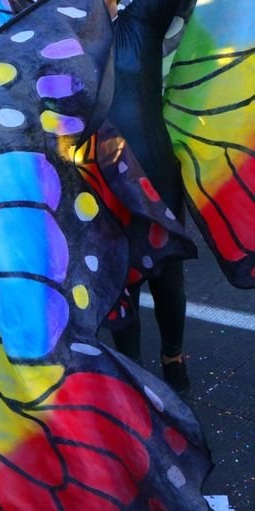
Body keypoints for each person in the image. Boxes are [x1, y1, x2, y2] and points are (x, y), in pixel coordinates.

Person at [107, 0, 190, 392]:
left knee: (168, 276)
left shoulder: (139, 18)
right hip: (99, 185)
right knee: (119, 280)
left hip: (155, 175)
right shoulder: (60, 37)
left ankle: (173, 356)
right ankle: (133, 374)